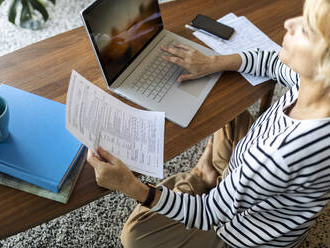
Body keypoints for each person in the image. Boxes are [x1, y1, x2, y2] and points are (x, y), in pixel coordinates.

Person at [87, 0, 330, 247]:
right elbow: (272, 61)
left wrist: (129, 185)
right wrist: (211, 63)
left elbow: (206, 213)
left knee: (135, 236)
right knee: (227, 109)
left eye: (306, 29)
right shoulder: (316, 85)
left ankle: (201, 176)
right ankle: (219, 176)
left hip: (242, 234)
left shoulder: (277, 155)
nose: (289, 23)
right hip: (260, 175)